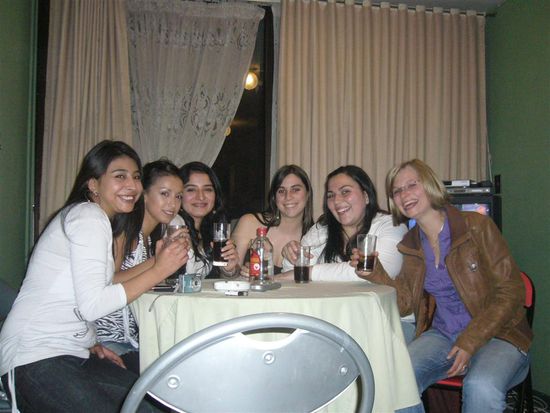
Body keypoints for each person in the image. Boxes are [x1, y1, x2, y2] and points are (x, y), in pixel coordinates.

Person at [0, 141, 188, 413]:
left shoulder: (95, 219)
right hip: (33, 357)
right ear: (93, 184)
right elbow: (94, 305)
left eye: (136, 177)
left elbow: (95, 289)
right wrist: (159, 270)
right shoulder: (88, 216)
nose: (132, 186)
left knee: (151, 405)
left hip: (73, 352)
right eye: (120, 176)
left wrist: (89, 342)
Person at [354, 159, 532, 413]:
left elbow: (511, 291)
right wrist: (376, 273)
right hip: (444, 334)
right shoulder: (410, 244)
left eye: (412, 185)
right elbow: (405, 305)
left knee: (480, 386)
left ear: (429, 184)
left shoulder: (476, 226)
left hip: (501, 334)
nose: (404, 194)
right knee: (397, 379)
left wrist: (470, 340)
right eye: (397, 191)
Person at [281, 165, 415, 342]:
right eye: (331, 195)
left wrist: (307, 272)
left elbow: (371, 270)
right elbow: (291, 277)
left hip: (388, 322)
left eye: (345, 192)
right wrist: (291, 256)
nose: (337, 201)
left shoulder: (390, 225)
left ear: (366, 196)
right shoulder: (322, 229)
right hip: (337, 322)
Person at [94, 159, 185, 374]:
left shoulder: (149, 239)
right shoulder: (123, 231)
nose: (172, 204)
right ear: (143, 194)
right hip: (107, 339)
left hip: (134, 339)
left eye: (178, 196)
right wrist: (158, 263)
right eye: (164, 194)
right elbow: (108, 281)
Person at [232, 164, 314, 275]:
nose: (288, 196)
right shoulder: (249, 223)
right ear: (274, 197)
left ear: (308, 194)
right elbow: (228, 274)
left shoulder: (315, 237)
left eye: (295, 190)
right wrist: (241, 274)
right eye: (281, 191)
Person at [178, 161, 239, 278]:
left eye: (207, 189)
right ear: (179, 194)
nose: (201, 197)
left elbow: (221, 278)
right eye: (191, 189)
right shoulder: (175, 226)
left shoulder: (213, 229)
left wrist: (229, 268)